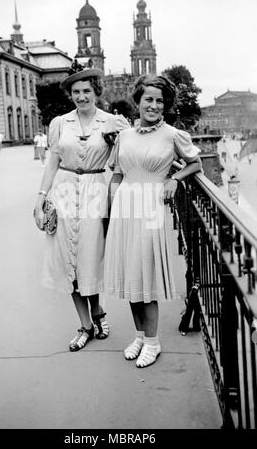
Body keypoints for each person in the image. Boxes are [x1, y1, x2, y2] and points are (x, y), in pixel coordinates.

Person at [104, 74, 202, 368]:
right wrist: (112, 204)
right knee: (130, 275)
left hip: (150, 209)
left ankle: (153, 341)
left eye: (160, 101)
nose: (154, 105)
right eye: (149, 99)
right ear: (138, 101)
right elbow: (118, 174)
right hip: (125, 208)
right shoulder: (124, 137)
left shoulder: (173, 135)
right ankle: (139, 335)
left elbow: (194, 163)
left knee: (145, 275)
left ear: (166, 104)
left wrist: (174, 179)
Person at [33, 63, 130, 351]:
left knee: (90, 256)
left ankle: (98, 312)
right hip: (63, 193)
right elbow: (52, 164)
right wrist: (39, 200)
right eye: (76, 92)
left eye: (86, 90)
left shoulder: (112, 122)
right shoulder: (60, 123)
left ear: (96, 92)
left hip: (95, 193)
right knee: (68, 261)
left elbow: (127, 158)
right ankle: (85, 324)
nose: (81, 96)